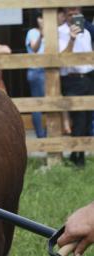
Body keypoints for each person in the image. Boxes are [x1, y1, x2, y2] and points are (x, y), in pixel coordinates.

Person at [59, 7, 94, 168]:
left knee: (87, 118)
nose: (74, 17)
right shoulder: (60, 32)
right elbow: (63, 59)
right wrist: (71, 39)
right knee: (78, 119)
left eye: (76, 14)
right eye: (70, 14)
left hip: (87, 77)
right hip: (72, 79)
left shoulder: (86, 32)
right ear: (65, 16)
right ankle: (77, 157)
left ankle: (78, 155)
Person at [26, 11, 47, 138]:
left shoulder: (55, 30)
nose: (43, 20)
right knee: (38, 104)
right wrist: (42, 34)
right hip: (36, 71)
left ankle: (51, 134)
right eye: (41, 17)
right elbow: (34, 48)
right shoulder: (32, 32)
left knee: (52, 103)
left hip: (50, 70)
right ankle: (41, 135)